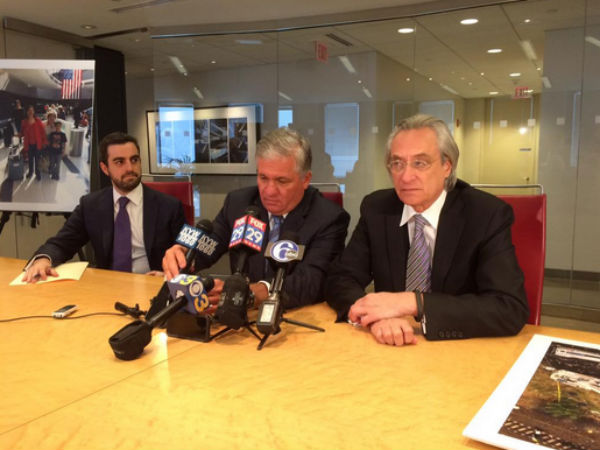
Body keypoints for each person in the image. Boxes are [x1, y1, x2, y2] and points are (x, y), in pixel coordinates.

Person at [324, 114, 529, 346]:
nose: (406, 176)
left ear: (446, 166)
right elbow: (341, 278)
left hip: (460, 349)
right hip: (389, 348)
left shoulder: (485, 213)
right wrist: (374, 317)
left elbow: (509, 308)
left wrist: (414, 302)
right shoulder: (377, 208)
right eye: (397, 163)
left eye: (420, 163)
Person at [162, 127, 350, 311]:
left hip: (297, 319)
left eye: (281, 181)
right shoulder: (238, 203)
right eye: (263, 178)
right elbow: (210, 243)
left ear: (305, 179)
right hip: (237, 317)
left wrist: (257, 292)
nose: (268, 191)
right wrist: (185, 253)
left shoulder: (329, 218)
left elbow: (312, 281)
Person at [22, 132, 186, 282]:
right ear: (105, 168)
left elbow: (187, 254)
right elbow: (61, 243)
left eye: (134, 160)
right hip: (107, 287)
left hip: (153, 286)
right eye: (120, 162)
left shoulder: (169, 206)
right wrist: (43, 259)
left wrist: (168, 276)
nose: (130, 168)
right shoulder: (91, 205)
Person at [20, 105, 47, 181]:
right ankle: (31, 172)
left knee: (37, 160)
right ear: (27, 112)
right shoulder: (24, 122)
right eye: (29, 110)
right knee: (30, 159)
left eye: (32, 110)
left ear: (34, 111)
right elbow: (22, 132)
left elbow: (42, 132)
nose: (30, 112)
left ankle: (37, 173)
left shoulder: (38, 120)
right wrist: (18, 135)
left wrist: (44, 142)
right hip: (29, 144)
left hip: (37, 144)